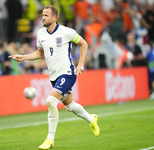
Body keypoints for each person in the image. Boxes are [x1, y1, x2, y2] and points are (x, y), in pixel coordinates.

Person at [9, 5, 100, 150]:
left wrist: (81, 64)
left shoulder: (67, 32)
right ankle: (91, 118)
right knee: (70, 106)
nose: (43, 17)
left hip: (67, 73)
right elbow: (40, 53)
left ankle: (49, 139)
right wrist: (23, 57)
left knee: (51, 101)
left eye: (46, 15)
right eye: (42, 15)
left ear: (54, 18)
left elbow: (84, 44)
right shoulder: (41, 33)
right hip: (54, 76)